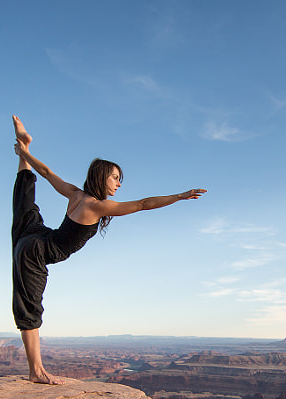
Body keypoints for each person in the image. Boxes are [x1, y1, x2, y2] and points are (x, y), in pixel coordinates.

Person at [10, 115, 207, 384]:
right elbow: (144, 204)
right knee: (30, 304)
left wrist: (25, 153)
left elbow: (45, 173)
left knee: (25, 205)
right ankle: (36, 371)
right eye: (115, 178)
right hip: (39, 251)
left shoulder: (76, 195)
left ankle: (23, 148)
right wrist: (179, 196)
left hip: (33, 235)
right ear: (102, 177)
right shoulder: (97, 206)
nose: (118, 184)